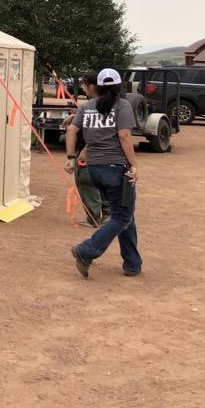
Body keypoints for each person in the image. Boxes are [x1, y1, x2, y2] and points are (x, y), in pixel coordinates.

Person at [64, 68, 142, 279]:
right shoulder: (122, 106)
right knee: (122, 216)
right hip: (116, 169)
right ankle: (87, 250)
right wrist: (134, 165)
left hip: (94, 169)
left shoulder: (87, 107)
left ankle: (132, 263)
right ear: (119, 87)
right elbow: (124, 135)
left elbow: (72, 130)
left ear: (96, 87)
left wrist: (71, 158)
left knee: (125, 213)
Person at [61, 73, 110, 227]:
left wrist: (78, 154)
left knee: (85, 181)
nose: (83, 87)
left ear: (93, 86)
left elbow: (98, 131)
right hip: (106, 155)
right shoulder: (110, 104)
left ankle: (93, 217)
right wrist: (76, 115)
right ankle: (107, 213)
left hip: (89, 152)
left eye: (84, 84)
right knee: (101, 182)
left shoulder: (91, 105)